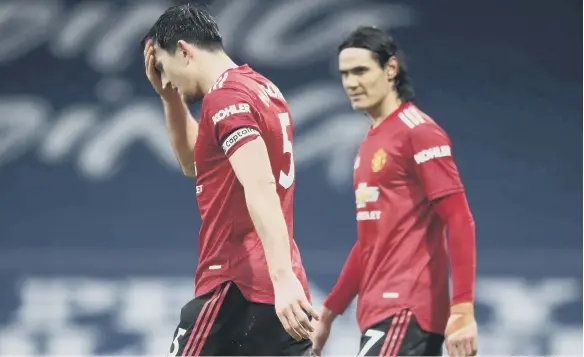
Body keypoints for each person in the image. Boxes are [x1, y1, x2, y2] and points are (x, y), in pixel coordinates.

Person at [140, 4, 318, 356]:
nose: (167, 78)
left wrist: (282, 279)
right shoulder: (260, 88)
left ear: (183, 51)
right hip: (271, 287)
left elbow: (260, 184)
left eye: (163, 66)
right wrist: (169, 98)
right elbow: (194, 163)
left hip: (235, 284)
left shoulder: (226, 98)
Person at [311, 26, 478, 356]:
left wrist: (462, 310)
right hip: (379, 314)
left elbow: (459, 220)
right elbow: (370, 242)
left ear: (391, 69)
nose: (351, 83)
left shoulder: (419, 132)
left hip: (406, 309)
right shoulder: (371, 141)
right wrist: (328, 313)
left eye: (360, 70)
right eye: (345, 74)